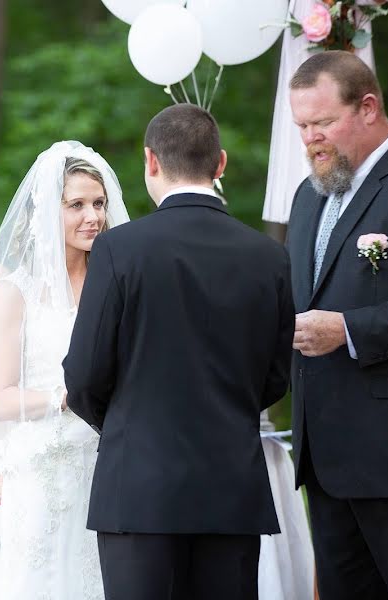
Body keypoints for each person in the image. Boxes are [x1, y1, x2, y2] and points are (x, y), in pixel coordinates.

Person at [64, 104, 295, 600]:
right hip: (231, 486)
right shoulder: (269, 256)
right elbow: (277, 377)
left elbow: (83, 374)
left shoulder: (118, 250)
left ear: (150, 161)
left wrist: (129, 423)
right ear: (221, 164)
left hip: (139, 486)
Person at [285, 51, 388, 600]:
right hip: (324, 462)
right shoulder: (307, 196)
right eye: (301, 126)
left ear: (368, 107)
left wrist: (348, 329)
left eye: (323, 123)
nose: (310, 140)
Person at [0, 141, 130, 600]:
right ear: (46, 213)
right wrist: (65, 395)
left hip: (108, 464)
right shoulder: (16, 292)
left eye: (98, 203)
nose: (92, 216)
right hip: (41, 468)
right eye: (75, 205)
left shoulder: (117, 282)